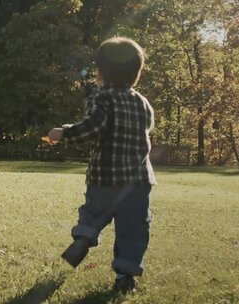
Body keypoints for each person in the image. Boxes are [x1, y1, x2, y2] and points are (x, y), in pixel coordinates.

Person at [45, 37, 156, 294]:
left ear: (101, 72)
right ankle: (126, 277)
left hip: (105, 177)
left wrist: (64, 132)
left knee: (94, 211)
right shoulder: (143, 103)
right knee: (133, 229)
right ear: (136, 73)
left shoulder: (102, 98)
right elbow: (146, 131)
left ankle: (84, 238)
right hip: (138, 182)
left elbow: (93, 127)